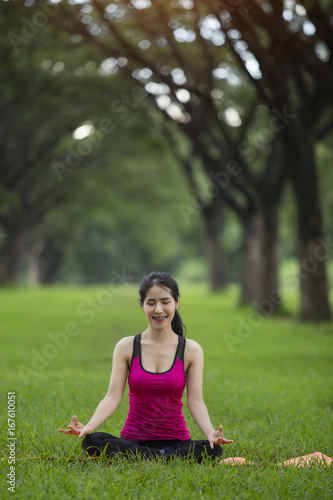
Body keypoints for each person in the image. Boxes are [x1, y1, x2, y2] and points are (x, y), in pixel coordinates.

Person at [59, 271, 233, 462]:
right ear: (142, 305)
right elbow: (112, 396)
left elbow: (196, 401)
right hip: (133, 440)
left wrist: (210, 434)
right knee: (92, 441)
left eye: (165, 302)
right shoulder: (126, 346)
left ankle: (153, 457)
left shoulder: (191, 350)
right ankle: (163, 457)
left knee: (213, 450)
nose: (159, 309)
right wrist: (89, 427)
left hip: (176, 441)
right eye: (151, 303)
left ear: (176, 303)